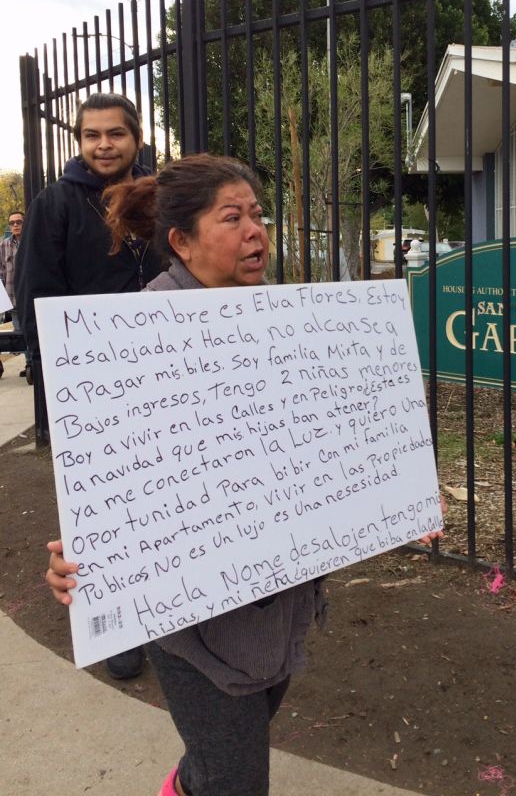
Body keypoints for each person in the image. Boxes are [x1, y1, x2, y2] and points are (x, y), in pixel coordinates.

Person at [45, 152, 445, 796]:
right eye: (232, 218)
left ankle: (190, 782)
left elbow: (329, 447)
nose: (256, 231)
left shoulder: (287, 325)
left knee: (227, 754)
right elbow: (110, 469)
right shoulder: (133, 336)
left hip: (280, 602)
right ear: (182, 240)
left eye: (257, 214)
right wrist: (84, 556)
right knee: (238, 779)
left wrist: (398, 498)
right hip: (190, 625)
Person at [17, 92, 164, 681]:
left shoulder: (163, 196)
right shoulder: (56, 203)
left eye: (115, 134)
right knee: (99, 508)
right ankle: (118, 622)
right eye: (91, 135)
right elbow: (34, 296)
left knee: (161, 496)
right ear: (80, 143)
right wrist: (63, 378)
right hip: (92, 387)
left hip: (163, 376)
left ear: (135, 138)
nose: (103, 144)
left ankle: (166, 605)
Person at [0, 210, 30, 376]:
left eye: (19, 222)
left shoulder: (33, 242)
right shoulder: (3, 246)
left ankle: (34, 363)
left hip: (31, 297)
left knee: (33, 332)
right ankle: (29, 365)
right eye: (12, 223)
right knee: (20, 334)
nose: (16, 225)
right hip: (14, 299)